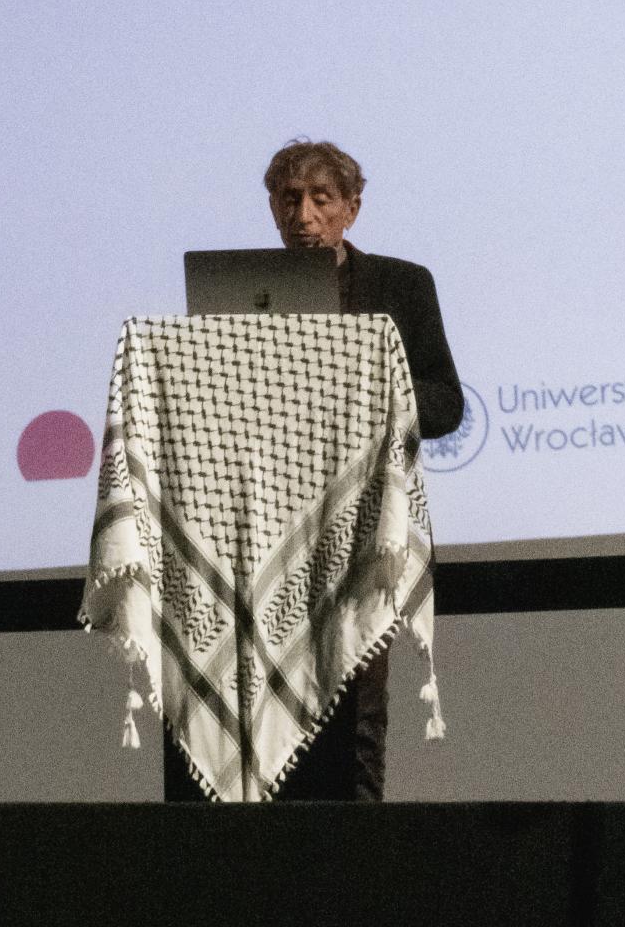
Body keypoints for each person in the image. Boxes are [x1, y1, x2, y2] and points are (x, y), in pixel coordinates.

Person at [162, 137, 463, 803]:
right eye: (289, 199)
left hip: (357, 535)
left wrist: (362, 392)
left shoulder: (401, 285)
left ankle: (352, 857)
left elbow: (446, 404)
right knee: (241, 714)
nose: (303, 216)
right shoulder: (240, 294)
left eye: (321, 199)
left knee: (352, 715)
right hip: (250, 537)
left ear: (351, 208)